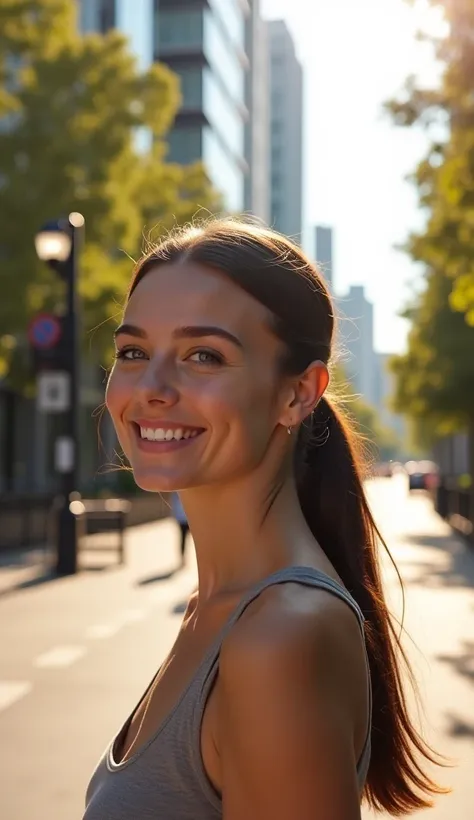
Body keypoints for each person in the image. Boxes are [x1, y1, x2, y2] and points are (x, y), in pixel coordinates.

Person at [84, 219, 444, 820]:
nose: (152, 386)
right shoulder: (222, 606)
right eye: (133, 351)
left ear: (299, 393)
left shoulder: (279, 635)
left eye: (204, 355)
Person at [171, 491, 190, 566]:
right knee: (183, 538)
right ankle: (183, 557)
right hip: (182, 519)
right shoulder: (176, 495)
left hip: (186, 519)